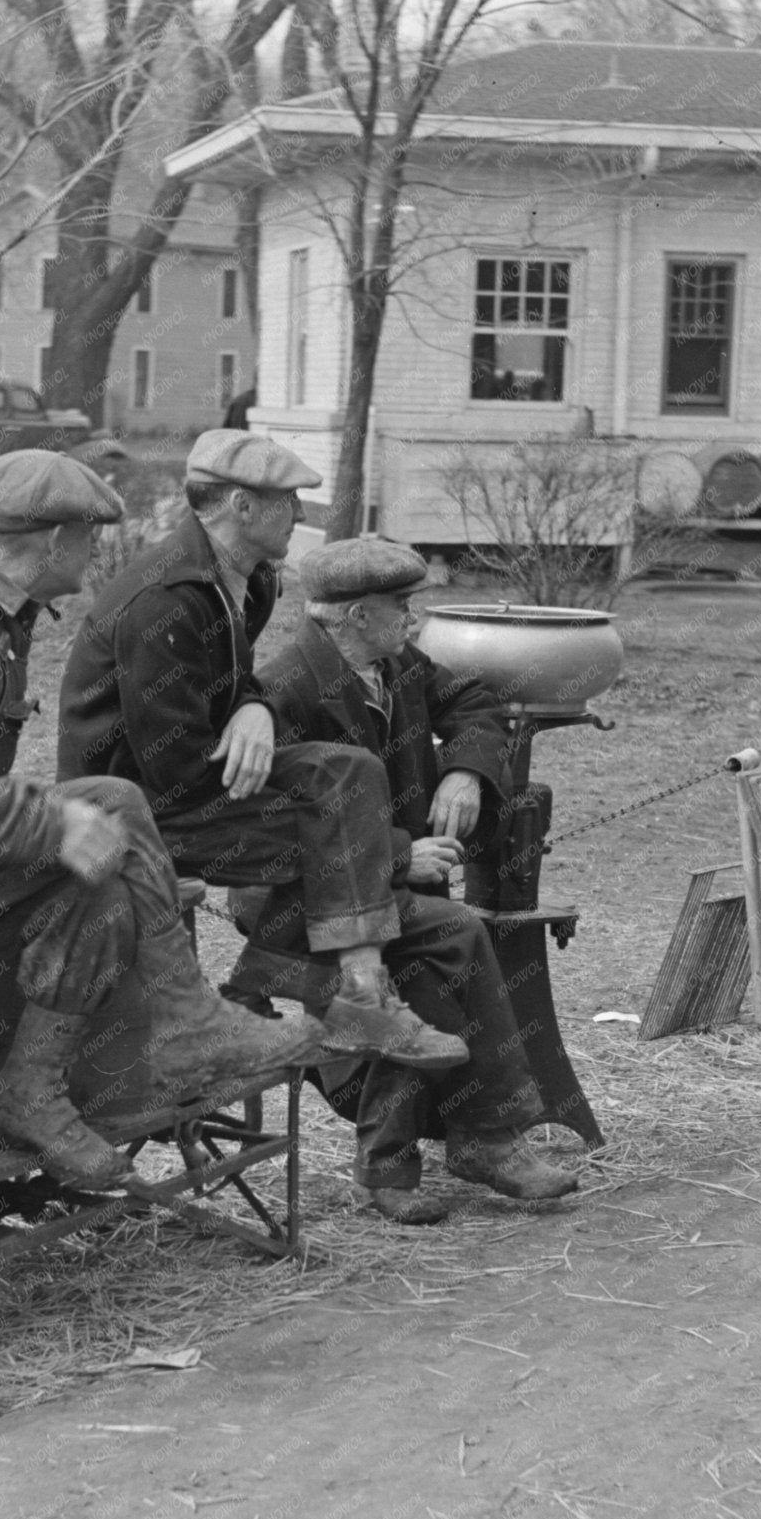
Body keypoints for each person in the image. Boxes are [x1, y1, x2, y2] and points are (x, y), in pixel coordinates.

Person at [0, 448, 320, 1192]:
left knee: (105, 890)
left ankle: (30, 1091)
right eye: (87, 535)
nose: (96, 549)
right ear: (51, 543)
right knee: (110, 803)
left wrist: (50, 828)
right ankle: (190, 1022)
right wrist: (49, 826)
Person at [56, 429, 466, 1073]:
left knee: (348, 771)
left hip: (201, 775)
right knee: (340, 834)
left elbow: (238, 684)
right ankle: (320, 990)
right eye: (288, 502)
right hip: (131, 811)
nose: (301, 516)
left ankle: (332, 992)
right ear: (242, 507)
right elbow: (173, 770)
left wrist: (256, 706)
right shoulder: (166, 599)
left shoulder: (249, 580)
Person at [239, 536, 582, 1223]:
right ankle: (483, 1138)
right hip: (304, 907)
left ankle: (403, 1165)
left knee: (428, 983)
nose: (413, 621)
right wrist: (401, 856)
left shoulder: (394, 666)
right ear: (359, 616)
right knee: (448, 938)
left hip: (388, 901)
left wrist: (464, 769)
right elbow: (274, 830)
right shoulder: (285, 690)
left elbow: (475, 703)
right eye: (402, 606)